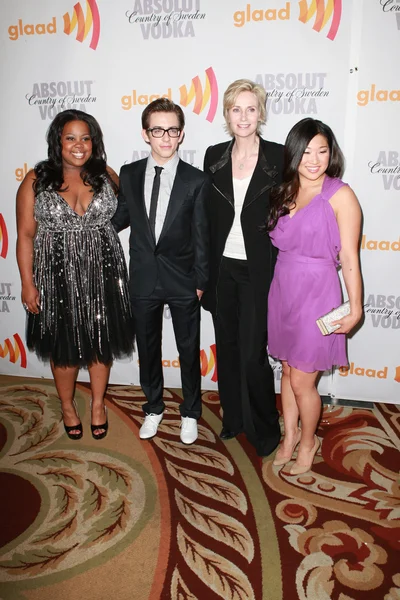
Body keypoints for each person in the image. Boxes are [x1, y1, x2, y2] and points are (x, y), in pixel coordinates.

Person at [16, 109, 134, 441]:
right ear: (58, 141)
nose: (79, 145)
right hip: (55, 275)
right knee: (62, 346)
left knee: (102, 341)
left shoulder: (106, 174)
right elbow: (25, 235)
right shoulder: (36, 179)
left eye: (86, 138)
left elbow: (127, 211)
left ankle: (98, 404)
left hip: (104, 271)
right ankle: (68, 406)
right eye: (71, 138)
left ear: (94, 142)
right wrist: (27, 283)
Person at [266, 118, 362, 475]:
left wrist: (355, 307)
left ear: (331, 153)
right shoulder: (285, 190)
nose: (315, 158)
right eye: (306, 151)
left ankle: (308, 442)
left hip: (318, 291)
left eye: (322, 150)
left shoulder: (341, 194)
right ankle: (289, 436)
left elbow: (350, 257)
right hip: (283, 290)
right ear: (294, 153)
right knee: (288, 371)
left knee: (303, 380)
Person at [112, 98, 210, 445]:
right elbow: (122, 216)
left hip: (183, 279)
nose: (165, 137)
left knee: (188, 349)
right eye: (158, 130)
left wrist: (200, 281)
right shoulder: (129, 173)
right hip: (142, 276)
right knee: (148, 348)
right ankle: (153, 407)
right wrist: (90, 225)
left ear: (181, 134)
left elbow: (202, 234)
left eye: (172, 130)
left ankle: (190, 413)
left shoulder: (196, 180)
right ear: (145, 133)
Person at [202, 79, 283, 456]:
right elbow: (205, 221)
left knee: (253, 352)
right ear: (227, 114)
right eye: (237, 109)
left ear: (261, 113)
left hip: (259, 270)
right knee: (229, 348)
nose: (244, 116)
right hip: (223, 270)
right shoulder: (214, 156)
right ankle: (233, 419)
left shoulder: (280, 158)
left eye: (251, 109)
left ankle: (265, 430)